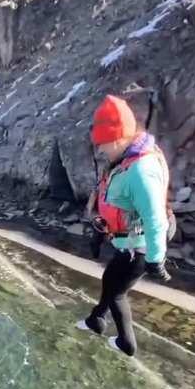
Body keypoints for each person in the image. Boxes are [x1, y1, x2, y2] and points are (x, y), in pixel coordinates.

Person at [76, 94, 172, 357]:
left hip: (139, 249)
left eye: (104, 144)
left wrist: (155, 261)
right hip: (126, 243)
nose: (101, 150)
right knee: (110, 281)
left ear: (118, 139)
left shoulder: (141, 171)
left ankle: (125, 345)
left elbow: (155, 220)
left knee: (117, 293)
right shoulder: (125, 158)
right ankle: (96, 320)